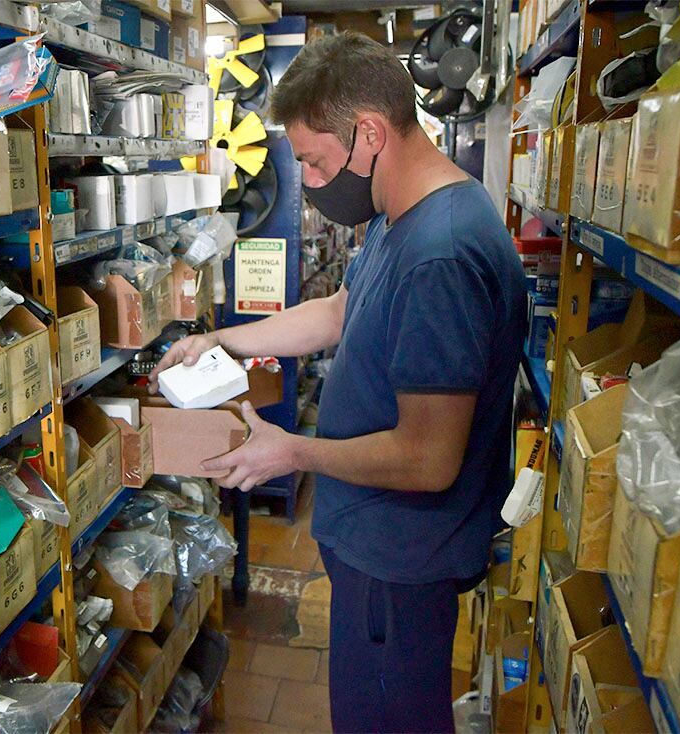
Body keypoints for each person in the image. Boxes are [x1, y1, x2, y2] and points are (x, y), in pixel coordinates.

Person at [149, 31, 527, 733]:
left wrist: (293, 452)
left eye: (317, 163)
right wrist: (220, 336)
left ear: (371, 133)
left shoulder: (441, 255)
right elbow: (338, 312)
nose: (314, 185)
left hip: (401, 564)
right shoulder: (401, 219)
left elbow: (429, 458)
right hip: (377, 551)